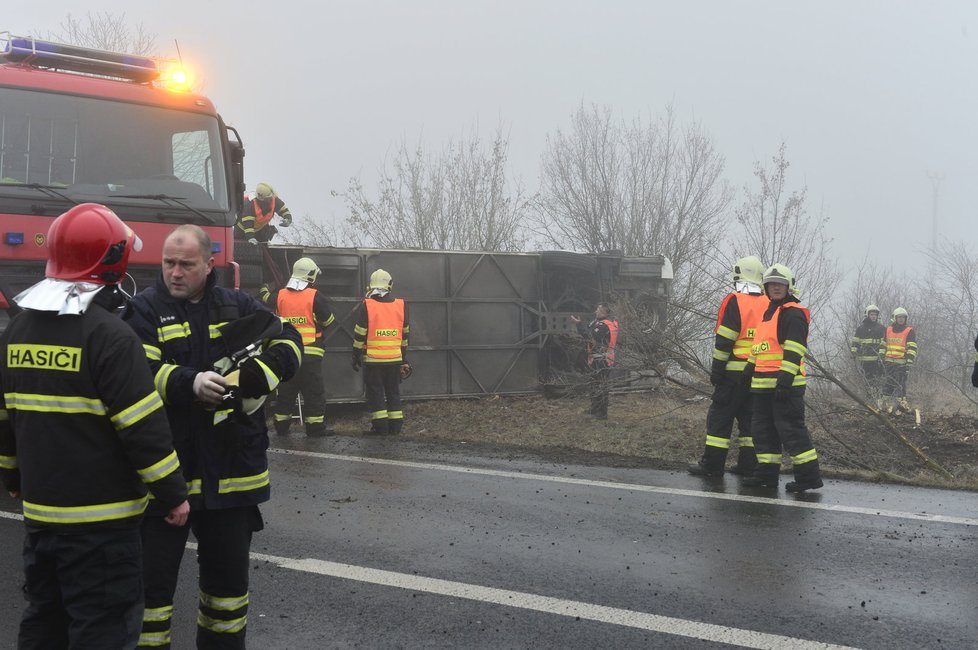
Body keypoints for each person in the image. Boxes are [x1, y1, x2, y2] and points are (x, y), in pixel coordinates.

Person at [0, 204, 189, 649]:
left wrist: (12, 477)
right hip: (103, 526)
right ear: (113, 261)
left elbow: (5, 417)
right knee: (102, 626)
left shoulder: (18, 330)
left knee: (45, 621)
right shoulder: (111, 336)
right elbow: (142, 427)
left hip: (42, 519)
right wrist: (173, 494)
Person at [123, 225, 302, 649]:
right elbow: (135, 374)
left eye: (186, 264)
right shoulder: (142, 311)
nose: (176, 273)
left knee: (227, 601)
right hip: (166, 483)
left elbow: (290, 342)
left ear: (209, 264)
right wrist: (189, 383)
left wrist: (256, 376)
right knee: (150, 604)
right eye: (169, 263)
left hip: (232, 479)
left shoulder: (239, 306)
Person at [742, 264, 823, 492]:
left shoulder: (793, 312)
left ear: (789, 287)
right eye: (771, 284)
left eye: (780, 284)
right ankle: (766, 475)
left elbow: (795, 349)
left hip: (785, 386)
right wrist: (748, 369)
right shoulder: (769, 311)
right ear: (766, 287)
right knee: (763, 432)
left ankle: (809, 478)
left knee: (792, 433)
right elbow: (760, 346)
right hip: (763, 386)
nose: (775, 287)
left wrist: (785, 380)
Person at [688, 255, 768, 477]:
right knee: (750, 421)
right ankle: (748, 466)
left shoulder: (735, 300)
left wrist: (717, 371)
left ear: (738, 275)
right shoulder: (768, 302)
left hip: (733, 375)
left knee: (720, 419)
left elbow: (725, 340)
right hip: (759, 374)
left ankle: (712, 467)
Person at [261, 257, 337, 437]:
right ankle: (315, 427)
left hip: (287, 354)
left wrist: (265, 286)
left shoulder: (280, 295)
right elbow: (329, 320)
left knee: (286, 391)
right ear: (311, 276)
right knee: (313, 391)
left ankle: (281, 425)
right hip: (311, 354)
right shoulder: (315, 296)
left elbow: (265, 297)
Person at [352, 269, 410, 435]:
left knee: (376, 393)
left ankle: (380, 428)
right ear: (390, 285)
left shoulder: (367, 305)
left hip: (373, 360)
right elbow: (405, 335)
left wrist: (355, 354)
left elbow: (360, 333)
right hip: (394, 359)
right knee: (393, 392)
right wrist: (403, 359)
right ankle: (395, 427)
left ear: (371, 285)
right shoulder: (401, 305)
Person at [571, 303, 619, 420]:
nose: (595, 311)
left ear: (604, 312)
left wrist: (579, 324)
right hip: (595, 359)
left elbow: (590, 338)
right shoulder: (595, 323)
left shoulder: (604, 326)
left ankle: (602, 413)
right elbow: (586, 333)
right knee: (593, 385)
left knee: (601, 386)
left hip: (603, 360)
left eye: (597, 309)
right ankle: (595, 409)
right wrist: (580, 326)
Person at [879, 306, 917, 413]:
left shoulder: (909, 331)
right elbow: (883, 345)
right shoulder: (888, 330)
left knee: (900, 385)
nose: (901, 319)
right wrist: (881, 358)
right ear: (894, 318)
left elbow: (912, 348)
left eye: (903, 317)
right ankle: (884, 405)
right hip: (888, 363)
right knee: (888, 384)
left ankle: (902, 407)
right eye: (899, 317)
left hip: (901, 364)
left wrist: (909, 363)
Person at [235, 182, 293, 246]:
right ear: (261, 199)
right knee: (241, 248)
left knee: (263, 248)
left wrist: (288, 218)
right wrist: (250, 238)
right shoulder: (249, 204)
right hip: (242, 230)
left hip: (261, 229)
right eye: (268, 198)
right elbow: (248, 225)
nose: (271, 199)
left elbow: (283, 210)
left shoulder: (273, 199)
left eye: (271, 196)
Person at [849, 304, 886, 397]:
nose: (874, 316)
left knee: (877, 380)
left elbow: (884, 343)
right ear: (867, 315)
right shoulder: (861, 328)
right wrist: (853, 352)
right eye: (872, 314)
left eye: (875, 315)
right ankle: (869, 397)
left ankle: (878, 397)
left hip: (877, 360)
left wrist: (882, 355)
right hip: (864, 360)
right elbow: (855, 342)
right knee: (867, 380)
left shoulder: (881, 328)